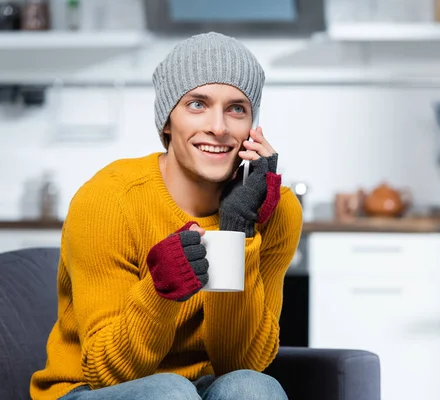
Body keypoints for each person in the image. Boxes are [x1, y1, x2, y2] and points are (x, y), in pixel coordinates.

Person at [30, 32, 303, 400]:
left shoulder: (275, 210)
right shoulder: (109, 199)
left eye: (236, 108)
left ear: (252, 127)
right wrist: (160, 293)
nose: (219, 127)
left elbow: (242, 362)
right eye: (196, 104)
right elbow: (107, 371)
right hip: (90, 389)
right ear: (167, 122)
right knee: (169, 392)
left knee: (254, 389)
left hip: (202, 387)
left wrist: (236, 232)